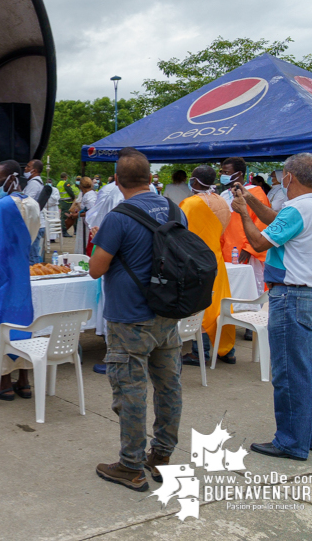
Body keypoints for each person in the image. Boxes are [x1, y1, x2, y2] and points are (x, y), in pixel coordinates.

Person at [89, 150, 184, 492]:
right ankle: (161, 455)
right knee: (168, 386)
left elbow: (96, 268)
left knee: (130, 390)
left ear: (116, 181)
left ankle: (130, 465)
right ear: (150, 177)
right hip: (166, 315)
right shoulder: (175, 210)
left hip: (129, 318)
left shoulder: (119, 217)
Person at [233, 154, 312, 461]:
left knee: (290, 373)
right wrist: (250, 198)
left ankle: (291, 441)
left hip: (291, 297)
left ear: (290, 177)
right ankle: (310, 436)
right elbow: (277, 220)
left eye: (282, 176)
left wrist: (243, 214)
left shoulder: (297, 209)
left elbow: (260, 242)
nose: (279, 180)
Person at [0, 160, 40, 402]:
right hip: (20, 273)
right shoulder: (32, 203)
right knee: (22, 324)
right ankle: (24, 381)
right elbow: (32, 236)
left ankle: (2, 382)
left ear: (11, 177)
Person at [179, 166, 235, 366]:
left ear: (194, 181)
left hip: (195, 260)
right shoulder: (221, 201)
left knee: (199, 304)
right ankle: (227, 350)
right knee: (219, 304)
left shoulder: (190, 204)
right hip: (216, 257)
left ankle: (198, 351)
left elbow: (180, 230)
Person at [219, 157, 271, 298]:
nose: (223, 175)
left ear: (239, 174)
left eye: (227, 172)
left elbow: (262, 223)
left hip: (247, 251)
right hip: (227, 250)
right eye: (222, 172)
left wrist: (249, 249)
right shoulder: (224, 195)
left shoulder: (256, 193)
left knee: (251, 290)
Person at [22, 160, 47, 264]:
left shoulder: (34, 184)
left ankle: (35, 277)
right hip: (37, 223)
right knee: (33, 253)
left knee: (32, 256)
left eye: (28, 167)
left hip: (34, 224)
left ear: (34, 170)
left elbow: (27, 203)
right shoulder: (36, 183)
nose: (25, 169)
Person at [70, 177, 97, 255]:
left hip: (88, 222)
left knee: (86, 241)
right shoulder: (88, 194)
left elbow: (91, 210)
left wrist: (78, 215)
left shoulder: (89, 196)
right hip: (84, 221)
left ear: (81, 186)